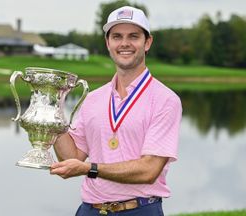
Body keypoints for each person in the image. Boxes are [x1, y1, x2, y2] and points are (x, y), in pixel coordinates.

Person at [50, 5, 182, 216]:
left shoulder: (165, 100)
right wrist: (52, 112)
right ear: (108, 43)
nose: (125, 44)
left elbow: (149, 170)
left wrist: (89, 169)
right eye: (117, 36)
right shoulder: (93, 99)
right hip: (90, 210)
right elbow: (71, 156)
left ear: (147, 42)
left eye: (134, 36)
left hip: (139, 210)